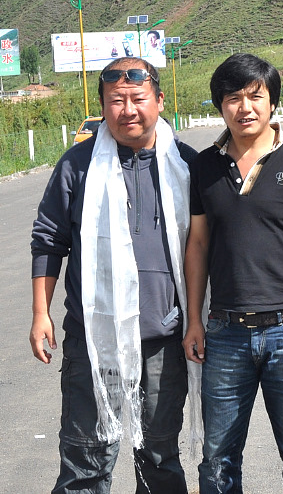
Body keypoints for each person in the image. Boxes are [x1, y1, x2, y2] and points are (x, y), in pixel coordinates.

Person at [30, 57, 197, 493]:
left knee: (159, 460)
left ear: (159, 100)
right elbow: (48, 240)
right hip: (93, 339)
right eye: (115, 101)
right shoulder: (78, 165)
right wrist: (40, 314)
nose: (127, 110)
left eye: (137, 99)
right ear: (103, 107)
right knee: (85, 461)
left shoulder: (187, 165)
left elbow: (211, 246)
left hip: (163, 341)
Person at [182, 53, 283, 493]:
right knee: (217, 462)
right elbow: (197, 245)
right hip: (225, 332)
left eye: (256, 96)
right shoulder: (204, 166)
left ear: (272, 102)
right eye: (233, 98)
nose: (245, 107)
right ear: (220, 105)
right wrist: (195, 319)